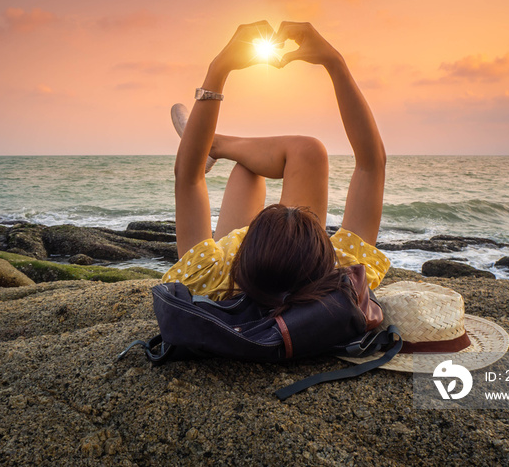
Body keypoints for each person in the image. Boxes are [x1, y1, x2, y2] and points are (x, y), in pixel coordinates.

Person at [162, 20, 390, 314]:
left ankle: (212, 144)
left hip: (238, 277)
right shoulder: (335, 278)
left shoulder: (210, 277)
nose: (287, 206)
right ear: (323, 256)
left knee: (250, 168)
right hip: (269, 277)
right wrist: (335, 62)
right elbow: (373, 164)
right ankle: (215, 144)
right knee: (306, 152)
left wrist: (219, 69)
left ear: (244, 246)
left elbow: (188, 176)